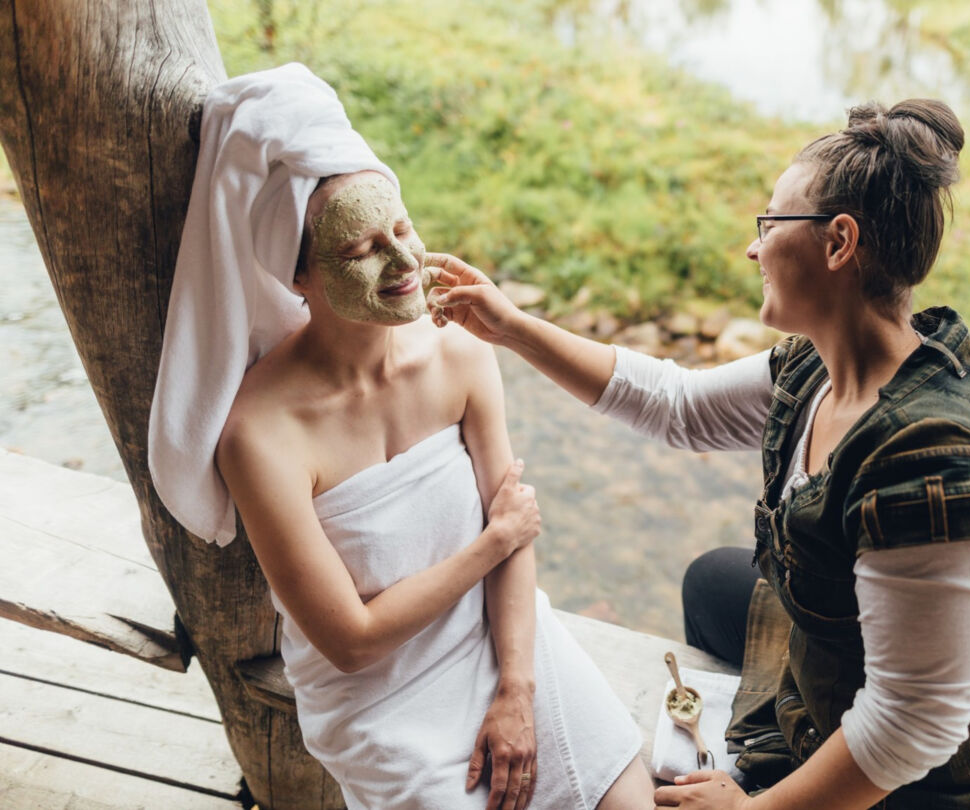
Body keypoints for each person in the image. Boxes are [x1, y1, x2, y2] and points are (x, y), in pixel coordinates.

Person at [428, 99, 970, 809]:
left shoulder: (934, 462)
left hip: (963, 778)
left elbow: (915, 724)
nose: (754, 248)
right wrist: (512, 327)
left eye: (771, 224)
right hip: (886, 676)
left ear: (839, 243)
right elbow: (676, 404)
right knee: (713, 585)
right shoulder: (821, 369)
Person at [147, 65, 651, 810]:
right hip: (378, 693)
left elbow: (518, 541)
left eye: (404, 229)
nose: (407, 264)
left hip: (504, 635)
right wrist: (491, 541)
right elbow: (348, 639)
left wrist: (517, 686)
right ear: (299, 278)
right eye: (361, 251)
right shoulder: (260, 434)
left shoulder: (460, 353)